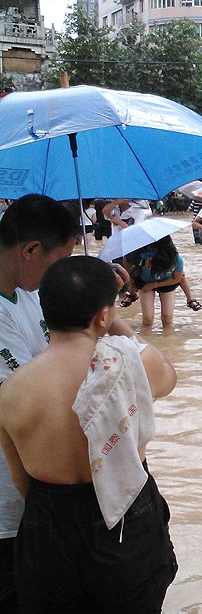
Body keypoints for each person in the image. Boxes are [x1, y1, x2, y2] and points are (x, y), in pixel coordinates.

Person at [0, 255, 178, 612]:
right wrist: (116, 325)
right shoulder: (131, 364)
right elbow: (168, 375)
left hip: (48, 523)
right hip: (128, 513)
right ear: (102, 314)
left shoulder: (12, 391)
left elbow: (22, 483)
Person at [0, 194, 81, 610]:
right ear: (31, 250)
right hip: (9, 504)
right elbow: (35, 397)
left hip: (37, 493)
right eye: (60, 259)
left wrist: (87, 296)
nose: (61, 271)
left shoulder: (29, 292)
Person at [122, 236, 202, 328]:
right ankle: (132, 295)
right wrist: (130, 275)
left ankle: (190, 300)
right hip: (145, 282)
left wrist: (153, 285)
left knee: (167, 319)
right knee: (147, 320)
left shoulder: (176, 259)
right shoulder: (139, 255)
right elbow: (126, 260)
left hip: (167, 282)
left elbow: (177, 279)